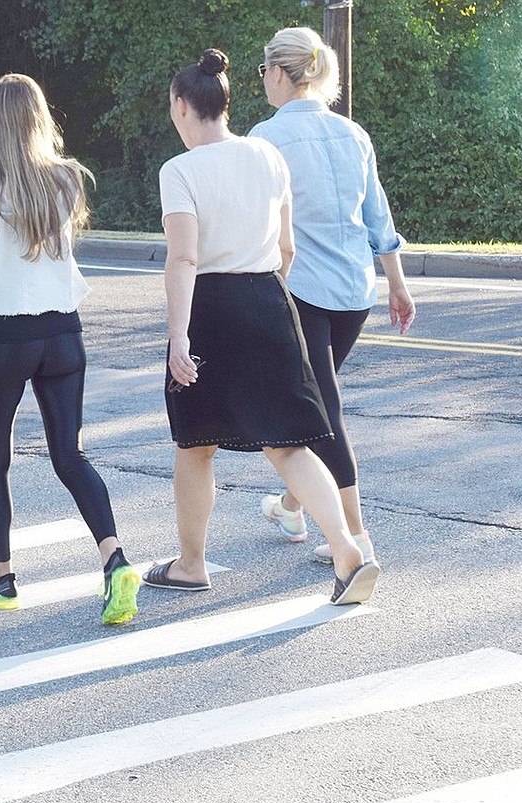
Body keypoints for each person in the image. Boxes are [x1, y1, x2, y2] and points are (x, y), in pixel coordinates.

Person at [148, 49, 378, 605]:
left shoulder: (179, 171)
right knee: (291, 444)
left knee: (196, 445)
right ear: (225, 103)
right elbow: (287, 248)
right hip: (270, 298)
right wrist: (270, 297)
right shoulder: (267, 155)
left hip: (210, 309)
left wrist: (179, 336)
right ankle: (349, 552)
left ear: (182, 107)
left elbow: (182, 261)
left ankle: (191, 564)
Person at [0, 73, 141, 625]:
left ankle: (2, 578)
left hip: (6, 341)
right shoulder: (66, 180)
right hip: (65, 335)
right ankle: (114, 560)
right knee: (69, 455)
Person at [250, 27, 416, 563]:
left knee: (322, 414)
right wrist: (397, 282)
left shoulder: (265, 139)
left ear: (279, 73)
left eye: (264, 72)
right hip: (354, 293)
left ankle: (356, 538)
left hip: (299, 292)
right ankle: (292, 506)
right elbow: (377, 215)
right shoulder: (353, 134)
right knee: (315, 403)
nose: (265, 82)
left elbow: (255, 224)